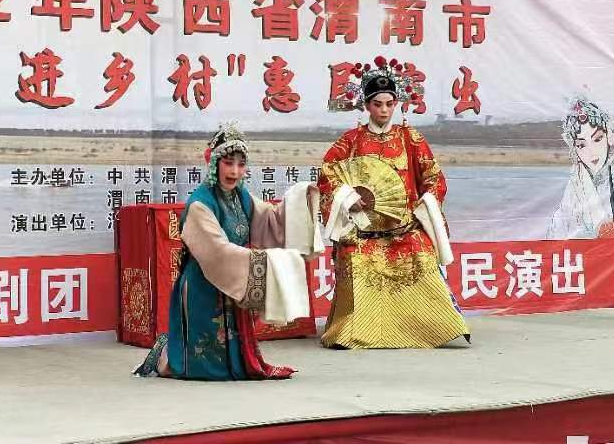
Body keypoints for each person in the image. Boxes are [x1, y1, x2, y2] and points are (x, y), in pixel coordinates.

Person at [134, 124, 310, 380]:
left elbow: (270, 221)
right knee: (201, 368)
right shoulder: (200, 204)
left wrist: (301, 201)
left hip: (232, 279)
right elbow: (218, 252)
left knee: (234, 366)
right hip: (202, 286)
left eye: (241, 164)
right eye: (228, 163)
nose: (235, 171)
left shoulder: (241, 196)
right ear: (214, 163)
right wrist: (264, 262)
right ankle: (164, 354)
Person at [318, 56, 470, 349]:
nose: (384, 110)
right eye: (377, 104)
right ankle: (354, 332)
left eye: (389, 104)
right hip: (364, 230)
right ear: (367, 106)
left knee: (421, 251)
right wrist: (349, 198)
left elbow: (433, 177)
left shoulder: (410, 138)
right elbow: (328, 175)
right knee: (354, 253)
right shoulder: (350, 141)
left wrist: (424, 205)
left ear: (397, 104)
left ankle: (430, 328)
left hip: (404, 228)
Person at [547, 96, 614, 239]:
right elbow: (556, 235)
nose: (591, 152)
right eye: (581, 145)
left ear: (609, 137)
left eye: (597, 139)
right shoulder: (573, 188)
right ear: (574, 149)